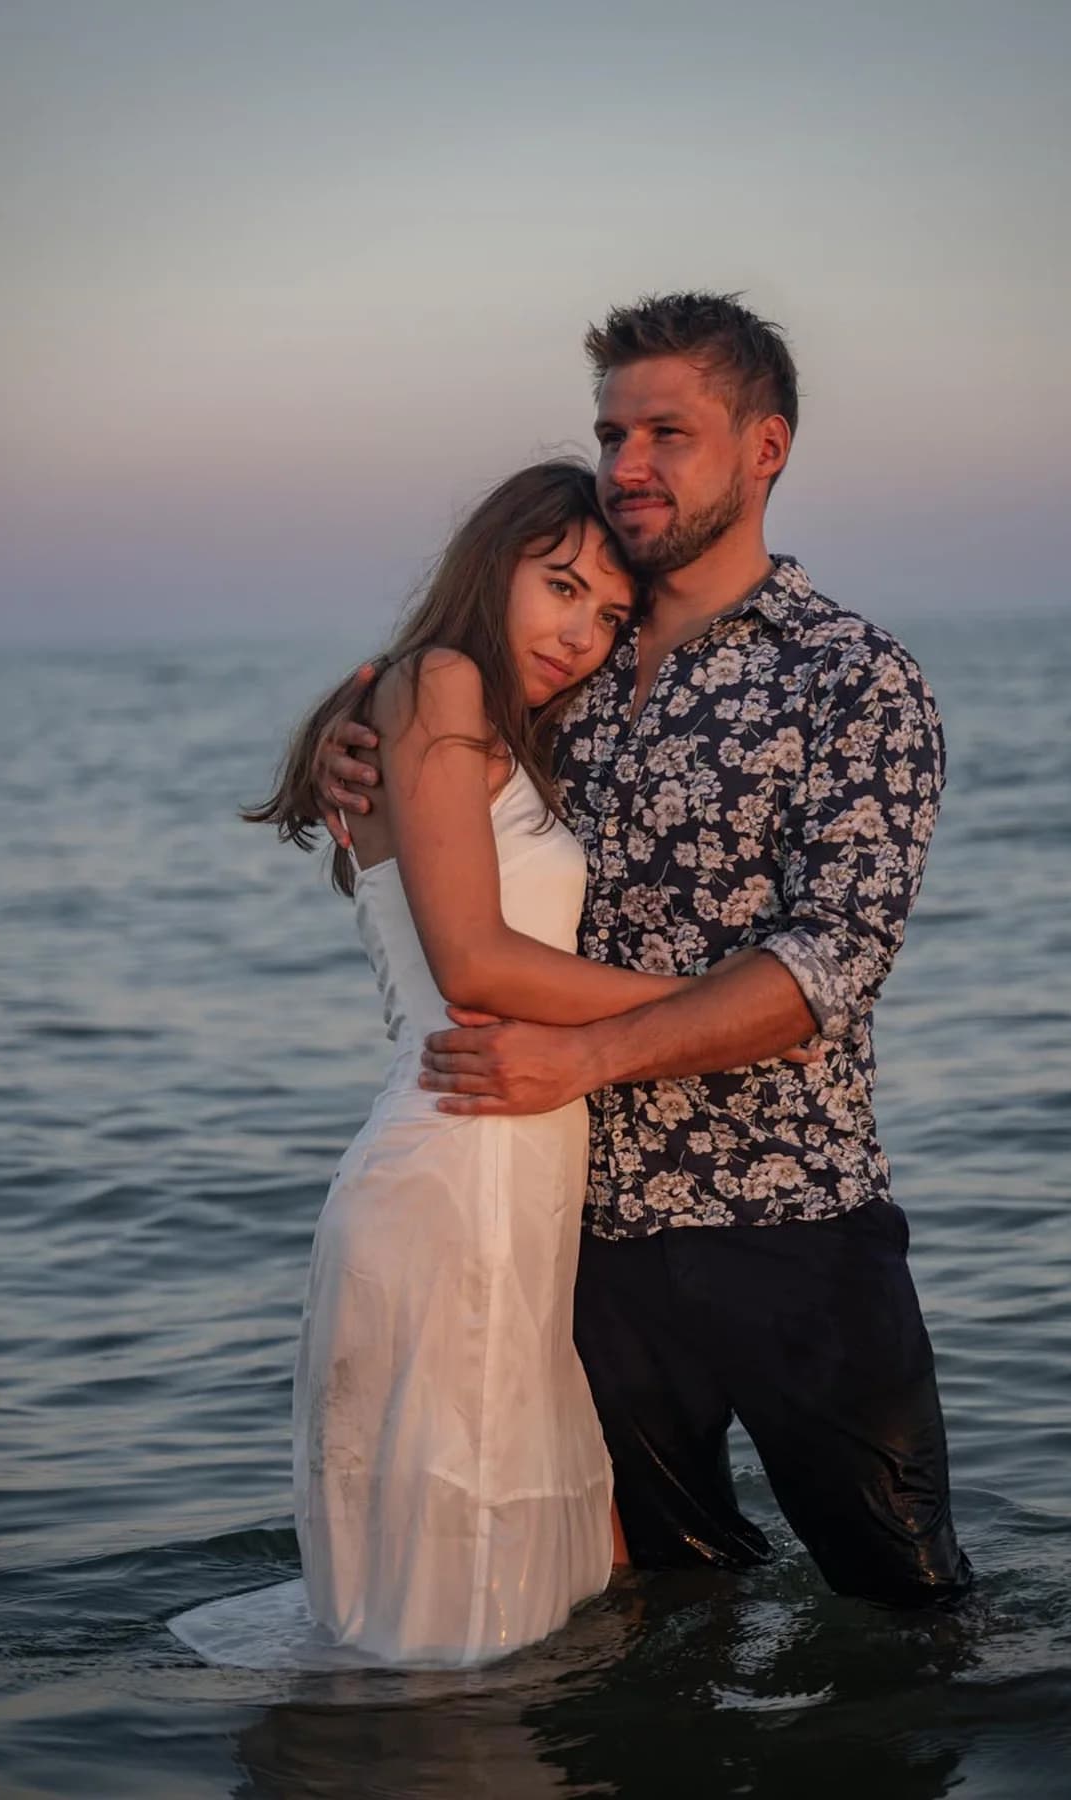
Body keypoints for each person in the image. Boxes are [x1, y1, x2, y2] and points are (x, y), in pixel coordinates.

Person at [321, 292, 973, 1609]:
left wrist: (596, 1053)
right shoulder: (547, 677)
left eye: (667, 433)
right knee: (649, 1620)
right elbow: (451, 873)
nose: (627, 465)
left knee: (905, 1607)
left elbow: (836, 960)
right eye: (612, 432)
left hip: (792, 1221)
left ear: (765, 448)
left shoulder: (852, 676)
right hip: (582, 1239)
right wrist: (356, 752)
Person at [173, 461, 814, 1672]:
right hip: (454, 1178)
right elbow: (473, 963)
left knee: (519, 1606)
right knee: (459, 1638)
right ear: (489, 565)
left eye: (611, 616)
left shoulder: (485, 723)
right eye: (559, 585)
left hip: (512, 1200)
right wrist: (730, 1006)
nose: (580, 632)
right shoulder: (439, 680)